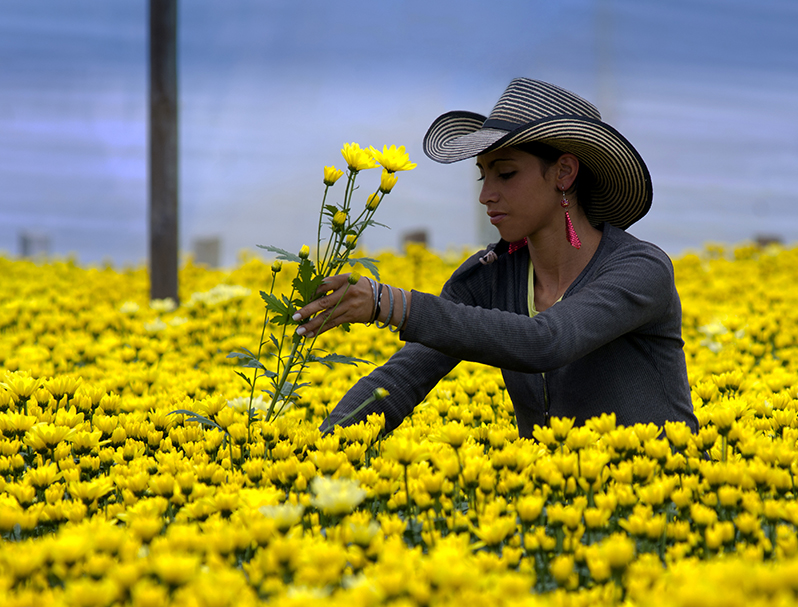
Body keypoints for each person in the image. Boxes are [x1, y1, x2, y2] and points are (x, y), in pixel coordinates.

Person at [293, 78, 698, 438]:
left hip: (660, 508)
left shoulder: (640, 270)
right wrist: (319, 447)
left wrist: (389, 303)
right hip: (550, 514)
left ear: (564, 174)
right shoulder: (489, 276)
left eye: (505, 175)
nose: (486, 194)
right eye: (481, 175)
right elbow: (402, 379)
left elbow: (547, 341)